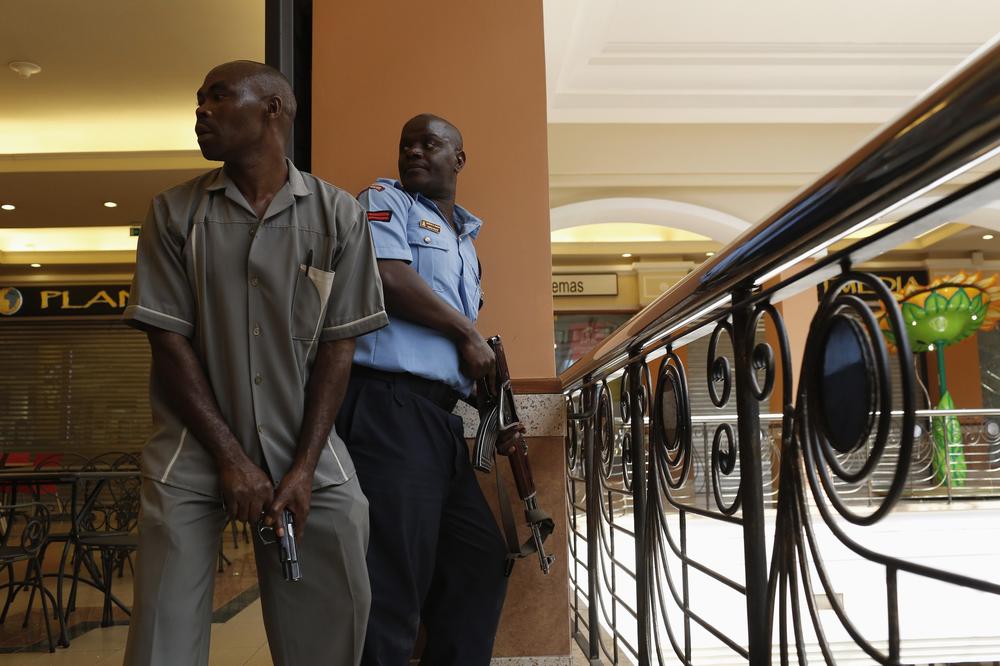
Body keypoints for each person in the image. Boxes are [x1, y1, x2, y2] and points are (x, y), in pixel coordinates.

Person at [121, 60, 387, 666]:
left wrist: (305, 464)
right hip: (193, 448)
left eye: (218, 98)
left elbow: (338, 346)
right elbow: (168, 342)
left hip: (305, 446)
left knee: (338, 577)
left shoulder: (337, 214)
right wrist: (232, 459)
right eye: (198, 101)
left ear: (272, 109)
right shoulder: (173, 213)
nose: (201, 112)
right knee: (163, 633)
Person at [335, 114, 509, 666]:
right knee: (391, 583)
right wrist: (466, 331)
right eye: (405, 144)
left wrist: (490, 399)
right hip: (387, 408)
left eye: (428, 144)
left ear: (458, 158)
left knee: (479, 561)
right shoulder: (384, 200)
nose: (413, 151)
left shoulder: (465, 238)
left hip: (439, 421)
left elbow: (459, 344)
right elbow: (389, 277)